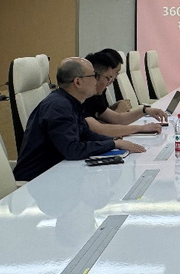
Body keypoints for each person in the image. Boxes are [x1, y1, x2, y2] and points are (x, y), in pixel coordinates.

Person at [13, 58, 145, 182]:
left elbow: (86, 134)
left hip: (57, 173)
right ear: (77, 82)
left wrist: (114, 141)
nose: (96, 80)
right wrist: (113, 144)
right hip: (36, 181)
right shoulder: (59, 107)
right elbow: (73, 149)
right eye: (93, 76)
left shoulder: (70, 102)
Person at [84, 50, 168, 137]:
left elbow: (116, 119)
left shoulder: (95, 94)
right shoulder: (80, 100)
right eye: (108, 78)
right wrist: (140, 128)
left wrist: (145, 110)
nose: (111, 81)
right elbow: (100, 129)